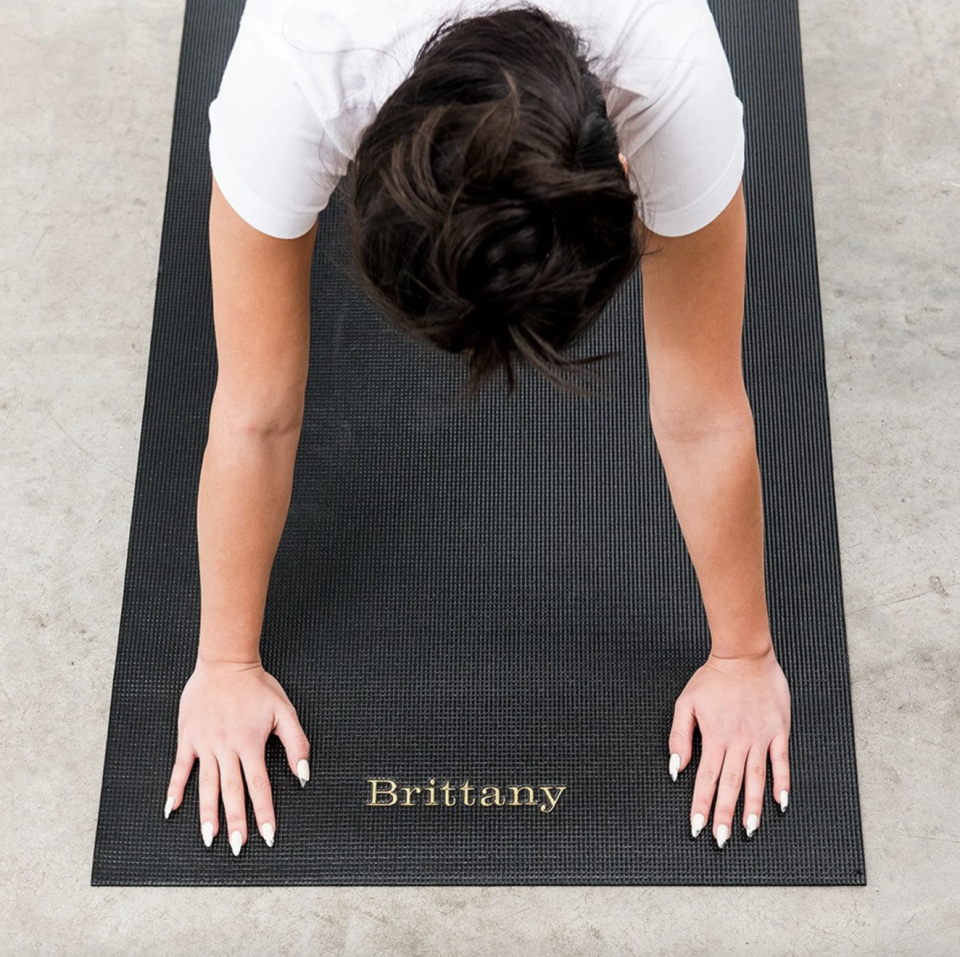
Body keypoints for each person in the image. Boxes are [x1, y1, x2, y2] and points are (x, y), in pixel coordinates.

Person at [163, 0, 792, 857]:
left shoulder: (667, 72)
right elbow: (253, 412)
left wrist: (745, 656)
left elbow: (705, 406)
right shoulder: (296, 68)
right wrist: (224, 663)